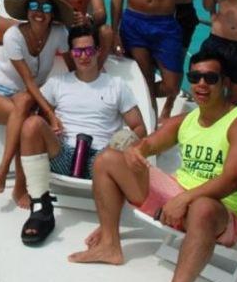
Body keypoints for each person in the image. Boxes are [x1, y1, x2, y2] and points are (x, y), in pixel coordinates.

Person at [69, 51, 237, 282]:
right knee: (108, 159)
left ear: (225, 82)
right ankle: (110, 245)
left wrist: (186, 199)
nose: (201, 84)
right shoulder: (188, 119)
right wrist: (137, 151)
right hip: (178, 197)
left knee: (203, 208)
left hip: (221, 212)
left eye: (210, 78)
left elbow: (234, 179)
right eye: (195, 77)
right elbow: (149, 143)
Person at [17, 25, 146, 245]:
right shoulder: (58, 83)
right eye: (77, 52)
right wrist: (51, 123)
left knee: (118, 145)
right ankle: (40, 207)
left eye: (88, 50)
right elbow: (39, 115)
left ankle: (108, 225)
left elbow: (139, 127)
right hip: (63, 153)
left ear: (97, 51)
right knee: (31, 125)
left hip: (100, 160)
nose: (83, 56)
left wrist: (125, 143)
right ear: (71, 54)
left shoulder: (116, 85)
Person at [0, 0, 73, 207]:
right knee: (25, 116)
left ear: (53, 15)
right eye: (34, 5)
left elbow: (72, 69)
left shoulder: (60, 34)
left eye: (46, 8)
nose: (39, 12)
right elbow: (29, 81)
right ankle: (10, 175)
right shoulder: (13, 35)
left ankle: (14, 179)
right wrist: (51, 115)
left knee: (26, 110)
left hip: (29, 98)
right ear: (27, 10)